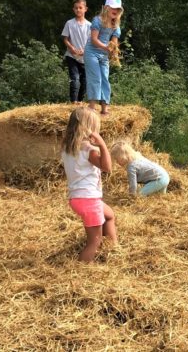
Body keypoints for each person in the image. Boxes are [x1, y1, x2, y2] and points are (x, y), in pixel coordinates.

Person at [61, 107, 117, 262]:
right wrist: (102, 145)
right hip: (89, 200)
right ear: (90, 128)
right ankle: (83, 268)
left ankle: (113, 249)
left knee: (109, 215)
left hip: (77, 199)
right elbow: (107, 168)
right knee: (94, 242)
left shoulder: (67, 147)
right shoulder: (89, 150)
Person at [83, 0, 123, 115]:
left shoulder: (116, 25)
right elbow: (94, 40)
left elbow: (114, 42)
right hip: (92, 52)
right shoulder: (97, 20)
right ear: (106, 8)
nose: (116, 10)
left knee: (105, 79)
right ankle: (92, 108)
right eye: (113, 7)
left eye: (118, 8)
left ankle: (104, 109)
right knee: (96, 78)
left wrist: (114, 51)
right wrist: (106, 48)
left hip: (104, 54)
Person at [62, 0, 91, 104]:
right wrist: (72, 48)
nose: (78, 10)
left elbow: (91, 42)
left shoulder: (90, 25)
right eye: (76, 8)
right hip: (71, 56)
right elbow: (65, 39)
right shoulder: (69, 23)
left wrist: (85, 50)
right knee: (75, 78)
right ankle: (73, 101)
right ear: (73, 9)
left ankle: (80, 101)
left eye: (80, 8)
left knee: (84, 81)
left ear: (85, 9)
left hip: (85, 57)